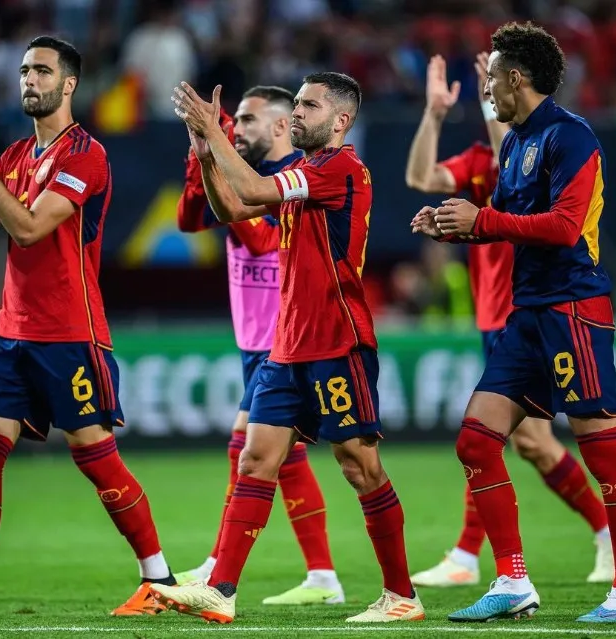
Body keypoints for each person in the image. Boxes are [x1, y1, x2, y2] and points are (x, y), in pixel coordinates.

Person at [0, 36, 173, 622]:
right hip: (10, 333)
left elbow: (25, 229)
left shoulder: (86, 156)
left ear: (68, 84)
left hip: (70, 331)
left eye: (41, 70)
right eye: (23, 69)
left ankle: (159, 580)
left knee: (94, 456)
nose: (29, 79)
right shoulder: (16, 156)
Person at [152, 72, 424, 624]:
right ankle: (221, 590)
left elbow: (250, 191)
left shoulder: (341, 170)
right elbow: (231, 211)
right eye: (295, 103)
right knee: (255, 458)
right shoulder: (303, 171)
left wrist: (214, 130)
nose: (297, 112)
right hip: (287, 345)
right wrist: (206, 151)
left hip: (336, 341)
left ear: (341, 121)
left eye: (309, 106)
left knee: (359, 466)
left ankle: (401, 596)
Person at [413, 22, 616, 623]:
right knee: (475, 440)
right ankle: (512, 579)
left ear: (516, 77)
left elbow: (565, 227)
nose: (486, 87)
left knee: (602, 452)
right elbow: (505, 221)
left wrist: (483, 222)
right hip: (528, 313)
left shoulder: (571, 138)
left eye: (491, 75)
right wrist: (453, 222)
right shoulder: (515, 143)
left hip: (573, 308)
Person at [174, 85, 345, 606]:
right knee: (273, 456)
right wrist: (199, 160)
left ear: (277, 128)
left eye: (247, 121)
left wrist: (219, 162)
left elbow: (260, 237)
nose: (238, 129)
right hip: (255, 338)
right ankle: (319, 576)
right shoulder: (238, 172)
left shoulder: (293, 180)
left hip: (288, 337)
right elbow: (187, 220)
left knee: (301, 454)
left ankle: (225, 568)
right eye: (235, 121)